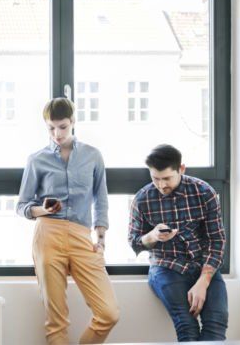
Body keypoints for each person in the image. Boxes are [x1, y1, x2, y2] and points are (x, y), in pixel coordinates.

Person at [17, 97, 119, 345]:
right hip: (48, 234)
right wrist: (43, 209)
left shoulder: (93, 156)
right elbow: (22, 206)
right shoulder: (37, 159)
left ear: (73, 122)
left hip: (81, 234)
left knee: (108, 313)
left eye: (62, 126)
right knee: (56, 321)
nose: (57, 133)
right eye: (51, 128)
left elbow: (101, 199)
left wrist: (101, 239)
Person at [128, 144, 228, 341]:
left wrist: (203, 281)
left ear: (181, 169)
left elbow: (216, 240)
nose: (161, 185)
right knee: (187, 326)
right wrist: (153, 236)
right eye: (155, 178)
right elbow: (134, 242)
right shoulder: (142, 199)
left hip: (203, 265)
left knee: (216, 324)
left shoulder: (204, 192)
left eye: (167, 178)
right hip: (166, 266)